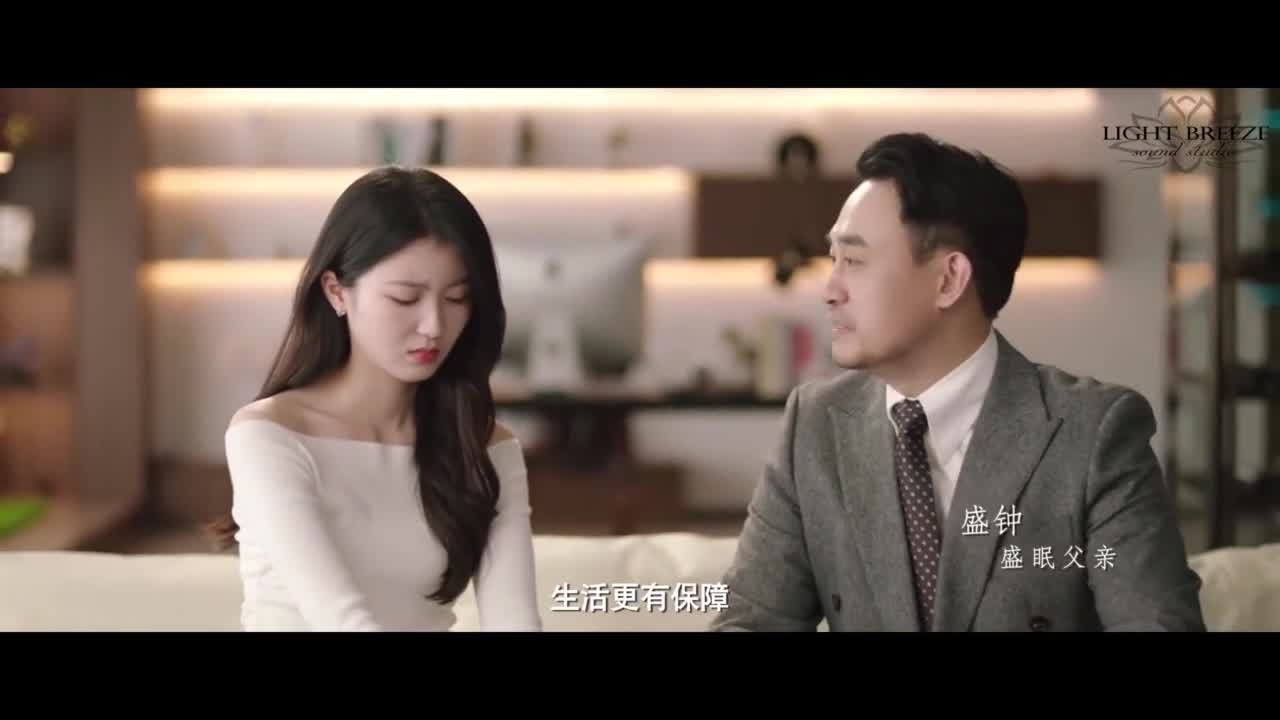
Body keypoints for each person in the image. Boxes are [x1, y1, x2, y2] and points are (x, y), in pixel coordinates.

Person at [709, 132, 1206, 632]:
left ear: (948, 280)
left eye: (854, 261)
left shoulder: (1094, 434)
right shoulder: (814, 426)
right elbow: (750, 621)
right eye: (832, 259)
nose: (830, 290)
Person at [209, 166, 542, 632]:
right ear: (336, 292)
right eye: (405, 299)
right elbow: (341, 620)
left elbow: (515, 620)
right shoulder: (269, 436)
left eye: (456, 298)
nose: (434, 325)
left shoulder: (484, 447)